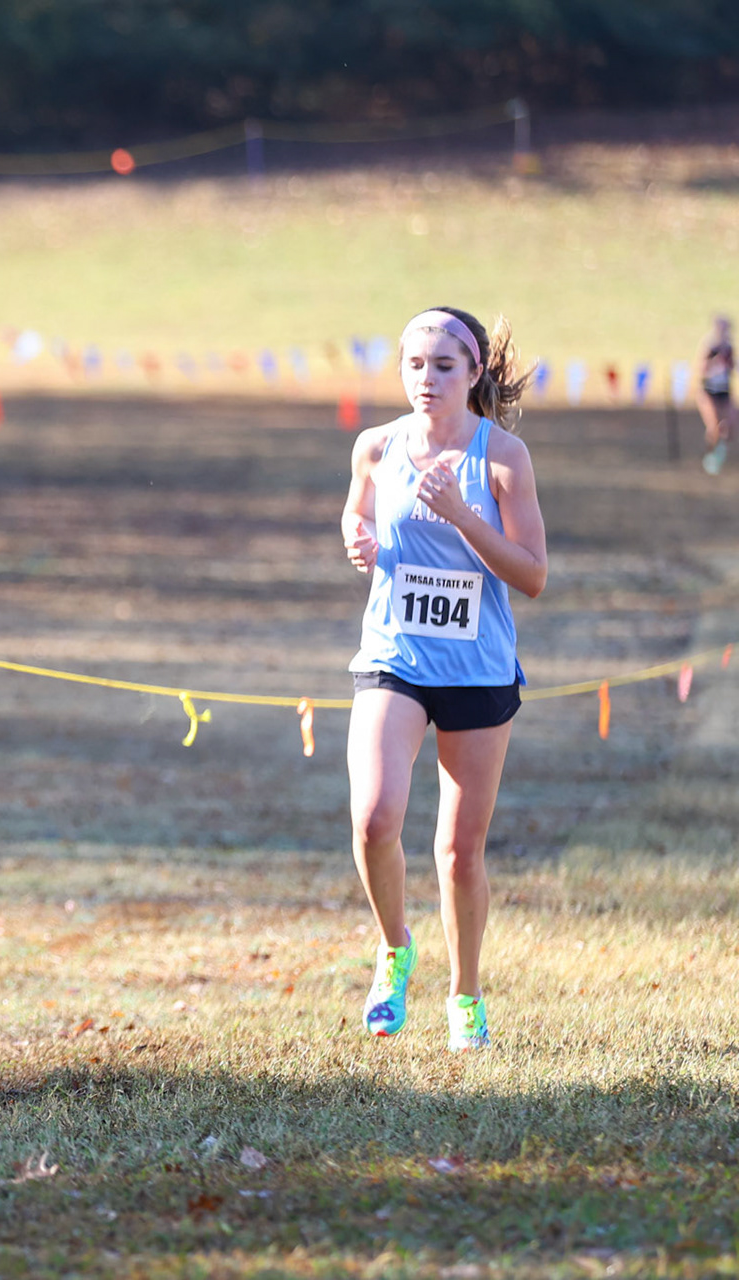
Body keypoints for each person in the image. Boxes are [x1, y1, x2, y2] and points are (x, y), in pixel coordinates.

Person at [340, 306, 546, 1052]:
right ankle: (395, 949)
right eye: (415, 365)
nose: (427, 380)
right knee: (374, 819)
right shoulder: (377, 446)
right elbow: (356, 514)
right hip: (394, 658)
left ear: (475, 373)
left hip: (478, 671)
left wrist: (462, 514)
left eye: (444, 366)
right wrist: (356, 541)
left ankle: (465, 996)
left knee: (460, 853)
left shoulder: (503, 459)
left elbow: (532, 576)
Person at [696, 314, 734, 474]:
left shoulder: (729, 348)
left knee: (730, 425)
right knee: (714, 426)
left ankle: (719, 453)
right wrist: (716, 363)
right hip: (709, 392)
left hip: (724, 392)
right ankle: (710, 456)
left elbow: (732, 368)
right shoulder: (710, 346)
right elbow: (701, 370)